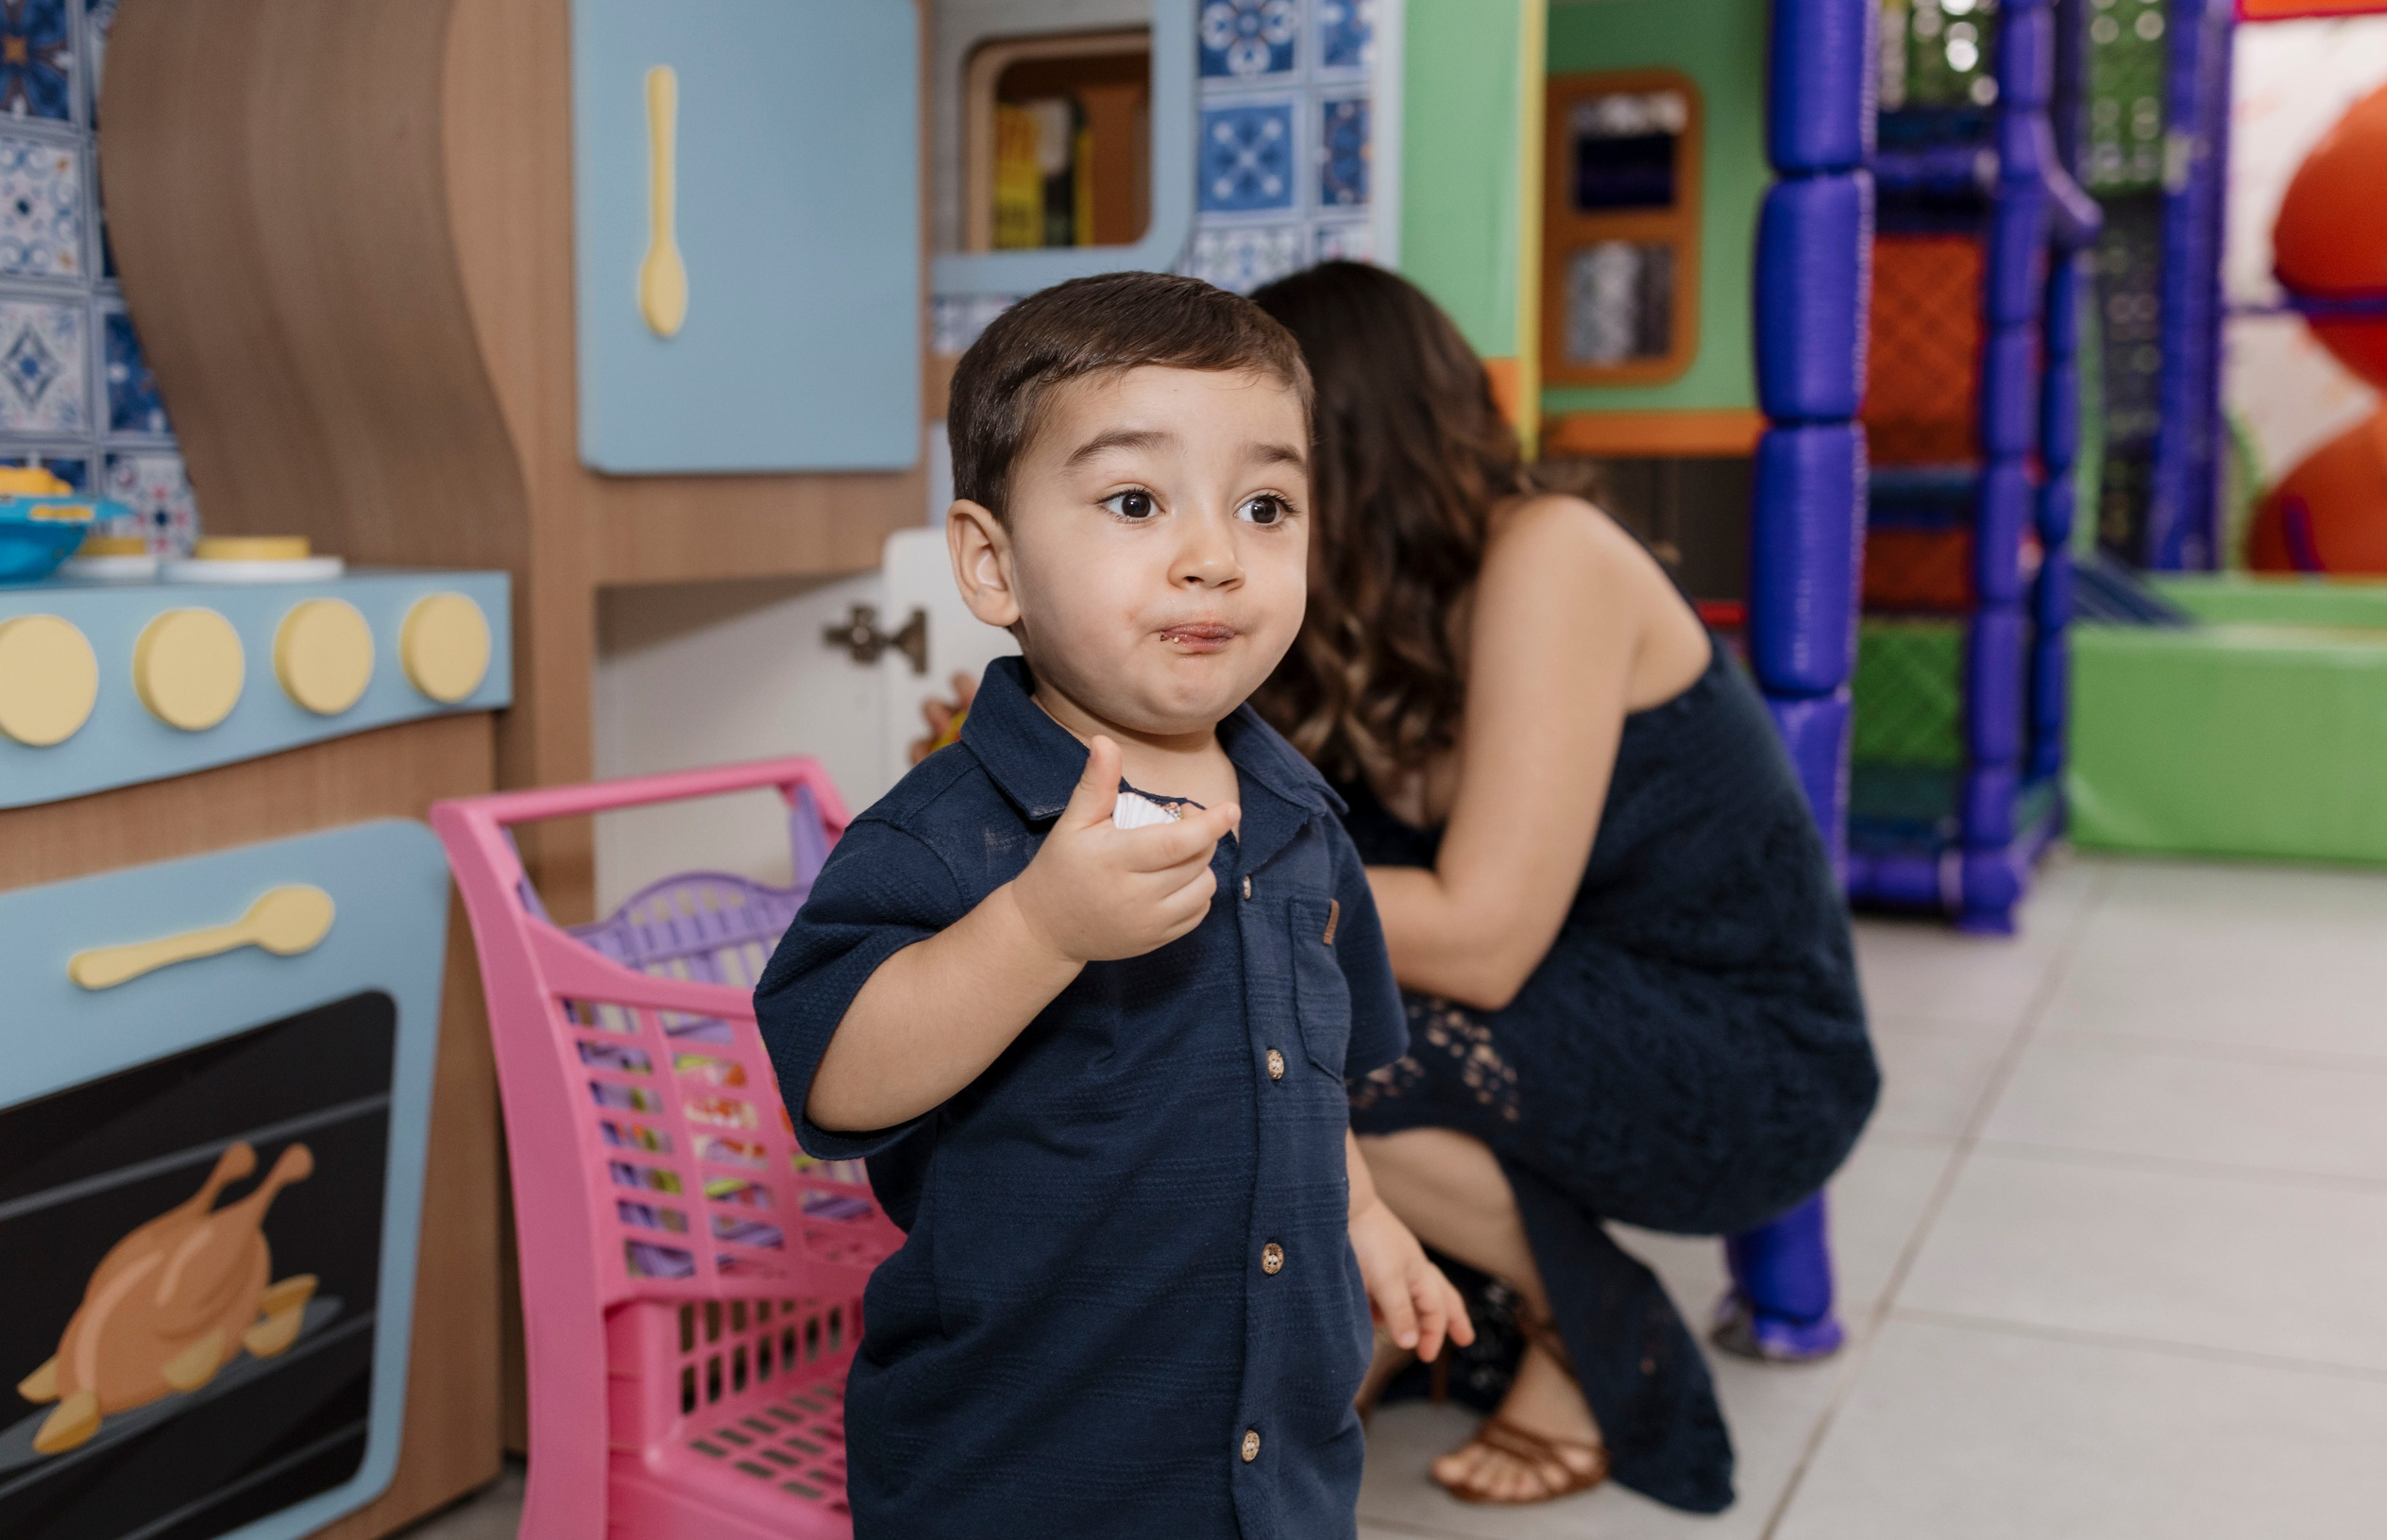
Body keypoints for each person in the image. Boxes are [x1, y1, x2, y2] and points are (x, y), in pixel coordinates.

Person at [754, 272, 1473, 1540]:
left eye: (1266, 505)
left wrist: (1367, 1217)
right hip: (1023, 1467)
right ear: (992, 561)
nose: (1214, 556)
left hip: (1276, 1469)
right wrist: (1039, 929)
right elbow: (836, 1081)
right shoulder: (943, 835)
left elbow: (1304, 1087)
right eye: (1136, 501)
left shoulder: (1301, 820)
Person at [1248, 262, 1881, 1513]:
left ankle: (1586, 1322)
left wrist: (1218, 892)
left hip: (1749, 1054)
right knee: (1264, 1015)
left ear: (1348, 442)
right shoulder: (1355, 614)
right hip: (1572, 1014)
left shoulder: (1552, 555)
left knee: (1303, 1029)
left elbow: (1480, 939)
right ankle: (1397, 1311)